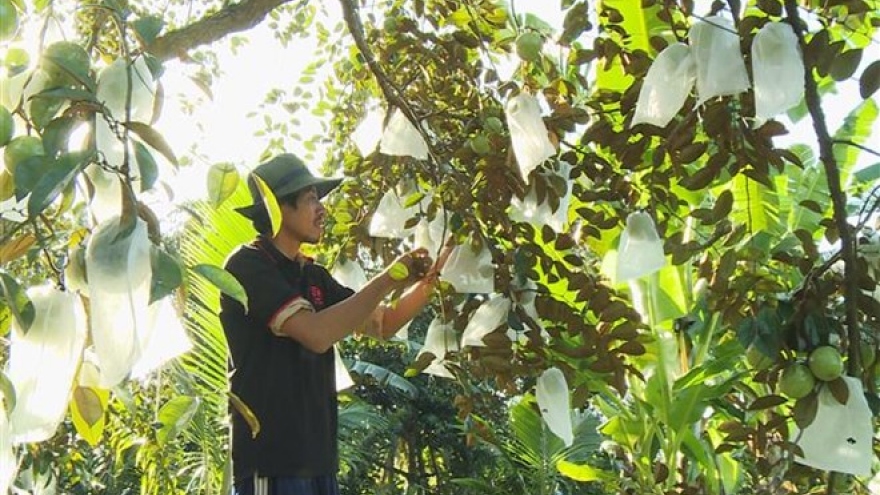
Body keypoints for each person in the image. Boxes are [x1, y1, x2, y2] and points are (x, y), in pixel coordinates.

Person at [219, 153, 448, 495]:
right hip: (271, 462)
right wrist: (387, 279)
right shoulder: (248, 265)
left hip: (319, 462)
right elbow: (316, 334)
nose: (321, 209)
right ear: (279, 208)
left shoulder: (313, 275)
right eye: (311, 199)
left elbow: (382, 323)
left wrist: (436, 274)